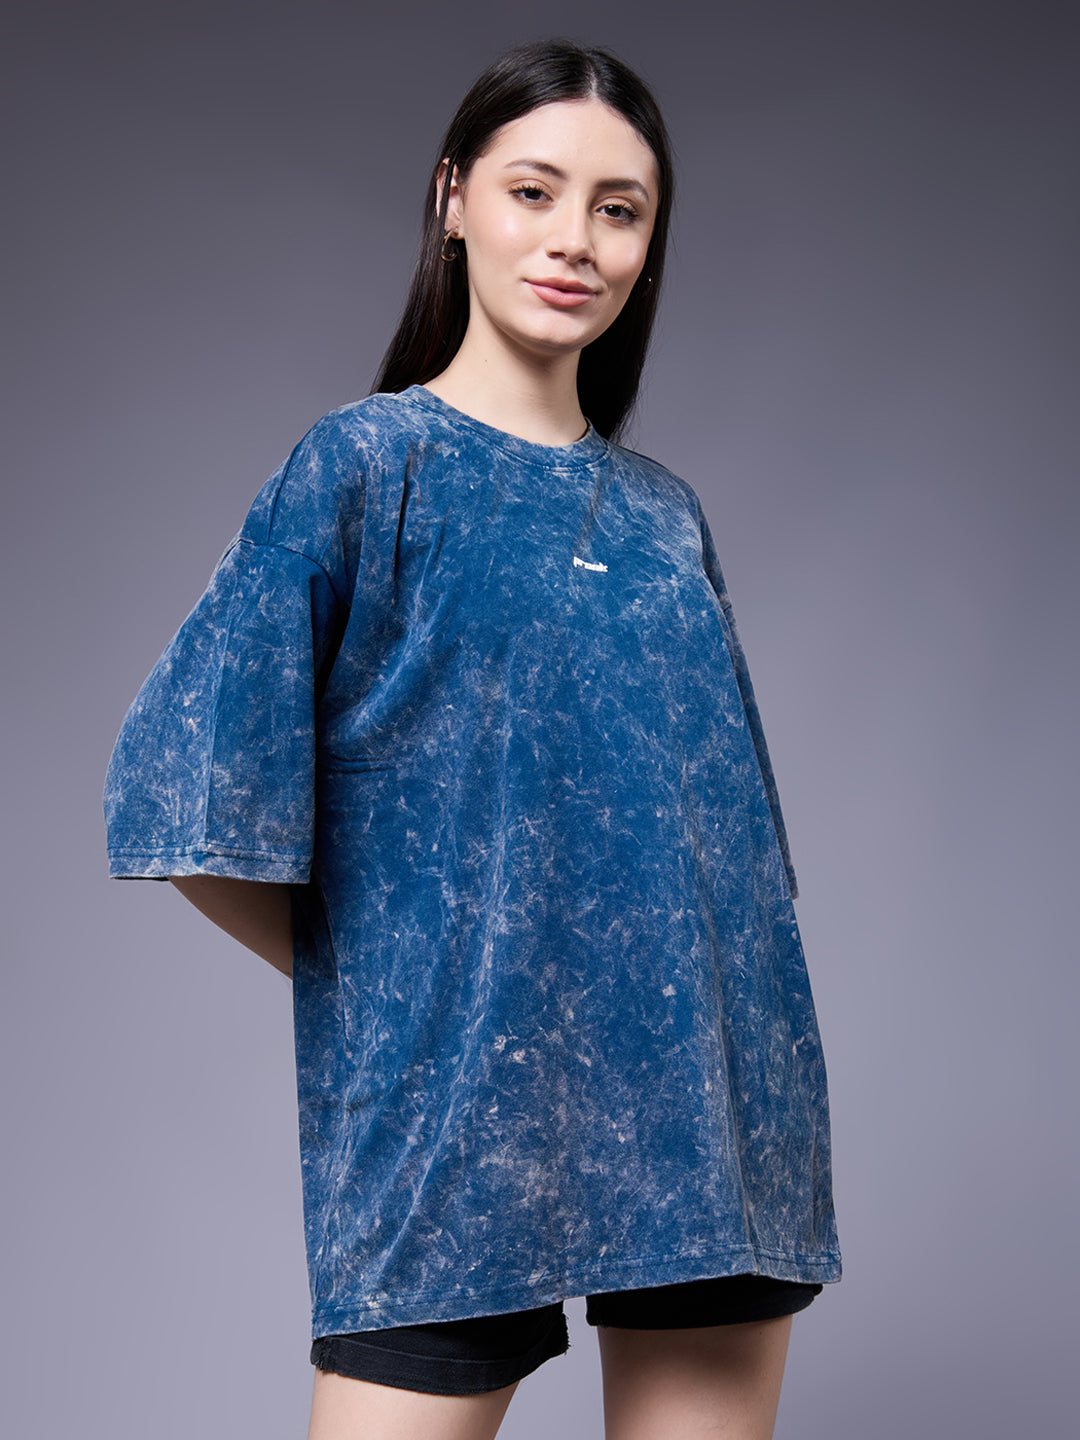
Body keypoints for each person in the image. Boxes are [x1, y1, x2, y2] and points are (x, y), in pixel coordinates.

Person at [103, 37, 842, 1440]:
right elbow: (184, 797)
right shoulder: (361, 469)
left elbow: (731, 867)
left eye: (618, 210)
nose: (575, 241)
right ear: (454, 197)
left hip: (709, 1114)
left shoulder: (665, 518)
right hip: (451, 1124)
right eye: (534, 191)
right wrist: (407, 989)